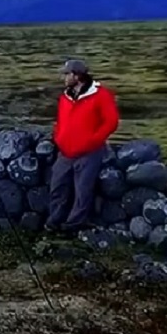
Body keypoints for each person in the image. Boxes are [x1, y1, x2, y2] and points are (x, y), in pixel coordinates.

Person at [45, 59, 120, 233]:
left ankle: (72, 226)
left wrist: (93, 140)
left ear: (77, 76)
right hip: (65, 152)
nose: (63, 77)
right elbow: (61, 121)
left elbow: (111, 122)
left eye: (66, 74)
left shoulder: (101, 95)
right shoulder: (65, 96)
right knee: (57, 187)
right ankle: (54, 221)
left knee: (82, 192)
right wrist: (58, 138)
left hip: (89, 153)